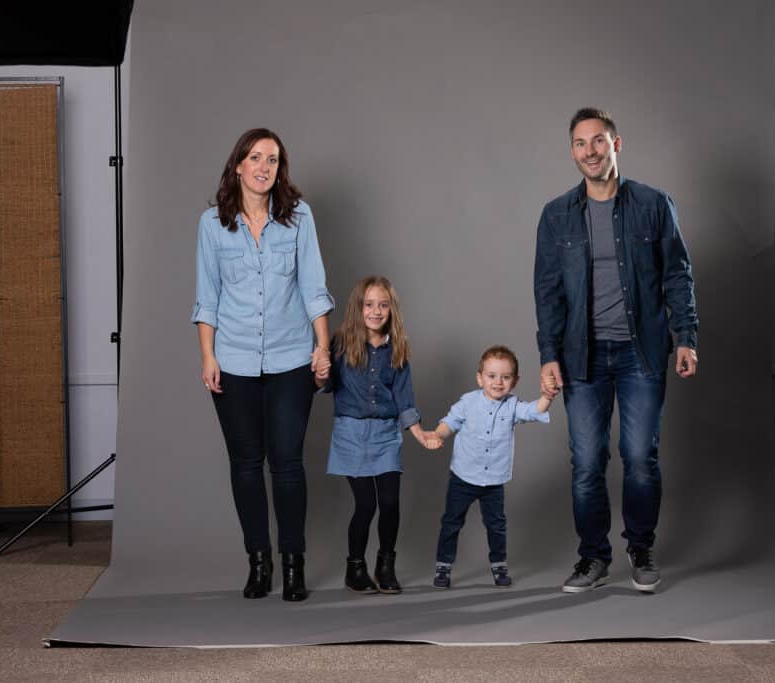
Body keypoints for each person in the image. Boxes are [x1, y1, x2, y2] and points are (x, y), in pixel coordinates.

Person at [534, 108, 698, 593]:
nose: (590, 151)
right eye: (581, 143)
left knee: (640, 456)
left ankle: (641, 549)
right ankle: (593, 557)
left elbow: (677, 274)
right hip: (581, 356)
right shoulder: (556, 214)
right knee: (586, 462)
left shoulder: (653, 204)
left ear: (616, 144)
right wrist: (548, 354)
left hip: (641, 353)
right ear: (572, 152)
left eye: (599, 141)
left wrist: (687, 336)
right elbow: (548, 292)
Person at [192, 127, 334, 602]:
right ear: (238, 165)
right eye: (255, 158)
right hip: (232, 360)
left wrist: (322, 349)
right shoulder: (212, 224)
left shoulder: (299, 218)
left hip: (292, 357)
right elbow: (206, 297)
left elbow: (314, 285)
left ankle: (294, 565)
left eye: (272, 160)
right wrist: (207, 356)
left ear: (280, 169)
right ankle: (259, 562)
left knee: (287, 463)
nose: (263, 167)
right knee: (246, 465)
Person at [316, 275, 431, 594]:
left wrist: (418, 432)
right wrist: (320, 374)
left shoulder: (399, 349)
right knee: (366, 505)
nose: (376, 311)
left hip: (385, 433)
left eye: (383, 305)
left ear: (391, 310)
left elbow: (405, 396)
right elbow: (325, 385)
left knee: (391, 503)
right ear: (358, 308)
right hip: (350, 434)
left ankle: (385, 565)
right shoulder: (339, 342)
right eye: (369, 304)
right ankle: (355, 567)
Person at [423, 345, 551, 589]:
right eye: (492, 376)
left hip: (493, 480)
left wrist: (548, 397)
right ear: (480, 378)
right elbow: (450, 421)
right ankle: (443, 566)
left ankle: (499, 565)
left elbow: (534, 411)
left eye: (505, 377)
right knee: (451, 522)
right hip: (463, 477)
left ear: (515, 381)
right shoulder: (468, 402)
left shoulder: (513, 405)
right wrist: (438, 435)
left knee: (496, 525)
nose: (498, 382)